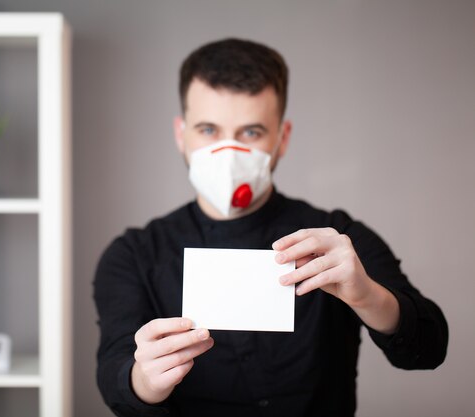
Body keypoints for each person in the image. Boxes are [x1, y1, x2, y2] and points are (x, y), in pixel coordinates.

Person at [93, 38, 448, 417]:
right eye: (208, 130)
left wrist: (367, 296)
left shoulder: (336, 239)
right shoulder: (133, 255)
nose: (228, 154)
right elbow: (115, 375)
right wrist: (143, 380)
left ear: (283, 138)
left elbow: (429, 348)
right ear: (182, 134)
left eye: (251, 132)